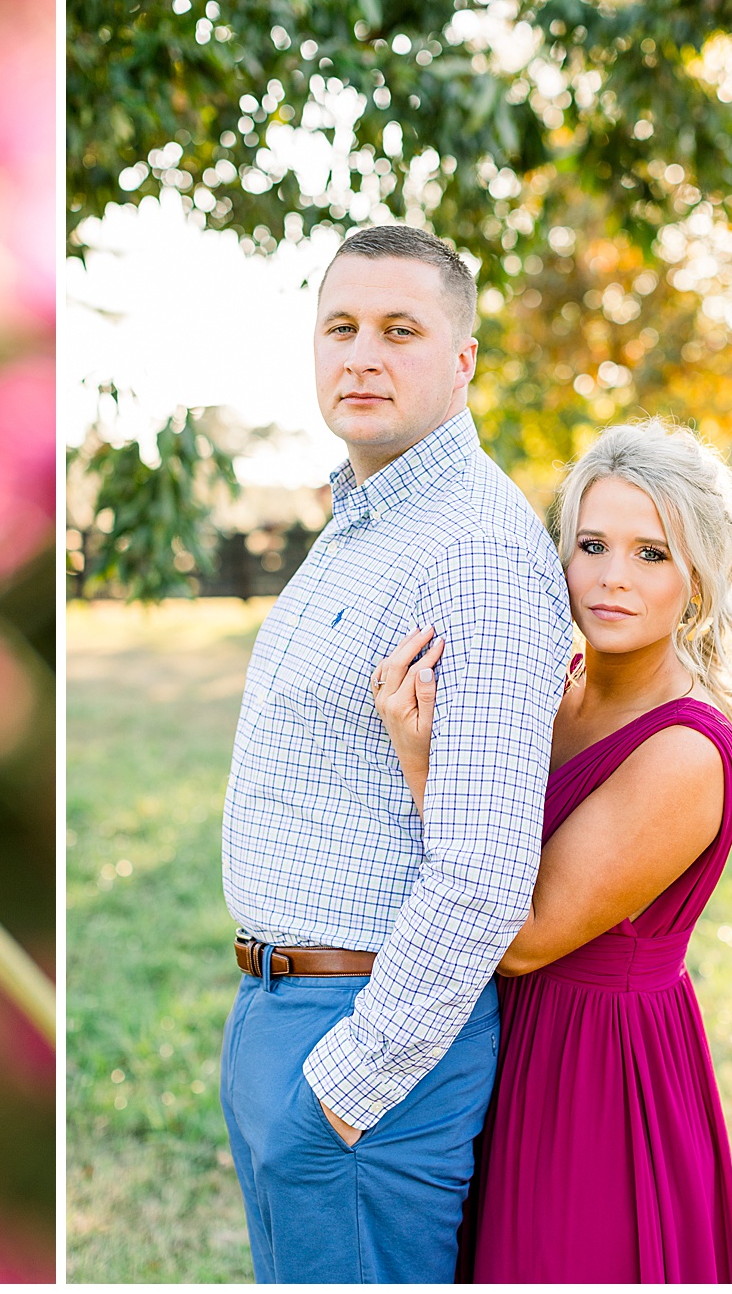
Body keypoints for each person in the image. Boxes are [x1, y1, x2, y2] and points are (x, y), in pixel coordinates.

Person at [218, 223, 574, 1283]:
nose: (362, 356)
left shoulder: (478, 549)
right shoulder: (364, 523)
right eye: (341, 328)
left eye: (399, 330)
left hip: (368, 1045)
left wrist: (344, 1089)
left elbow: (484, 869)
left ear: (463, 358)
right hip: (279, 1012)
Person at [371, 419, 732, 1281]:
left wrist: (421, 762)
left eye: (651, 554)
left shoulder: (685, 751)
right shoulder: (554, 690)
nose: (613, 577)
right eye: (592, 545)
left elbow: (520, 937)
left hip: (599, 1072)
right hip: (502, 1043)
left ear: (698, 579)